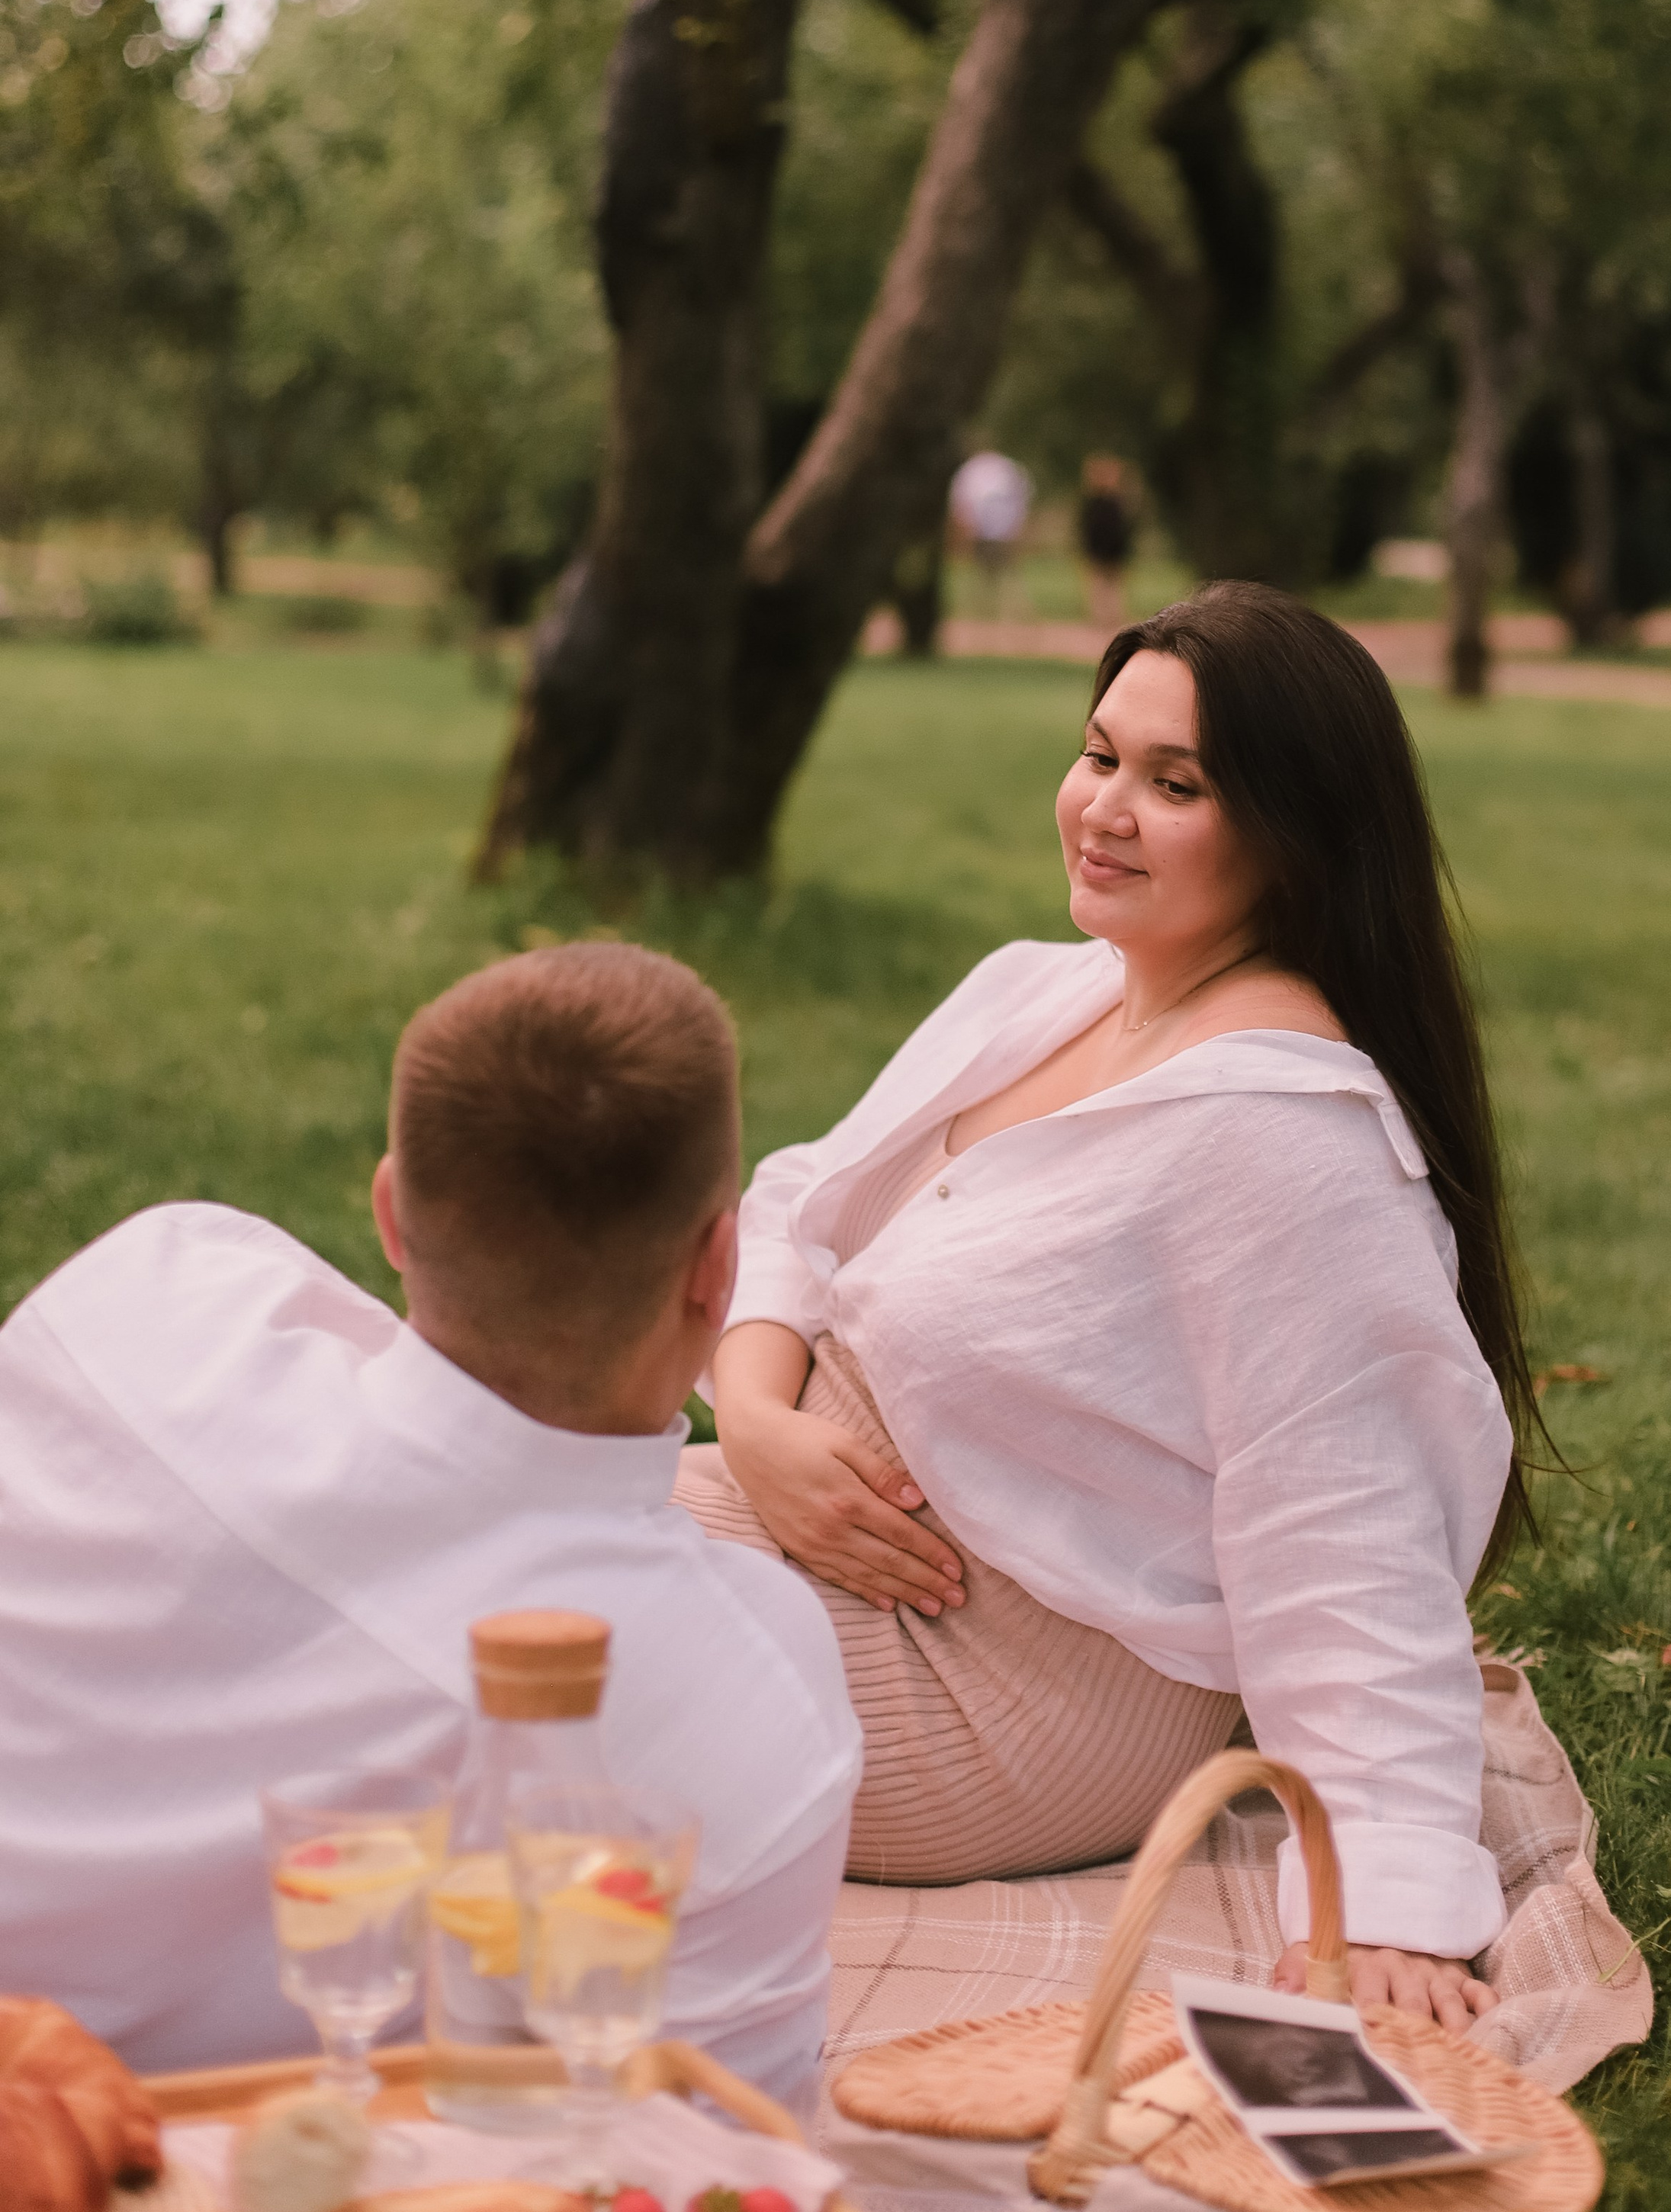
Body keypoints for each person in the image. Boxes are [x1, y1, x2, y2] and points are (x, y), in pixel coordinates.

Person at [680, 583, 1542, 2032]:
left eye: (1176, 783)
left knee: (476, 1619)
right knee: (428, 1502)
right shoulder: (1046, 993)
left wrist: (1382, 1891)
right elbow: (800, 1204)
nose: (1104, 809)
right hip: (819, 1539)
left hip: (1001, 1685)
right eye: (1099, 756)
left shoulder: (1282, 1137)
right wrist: (759, 1419)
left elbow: (1344, 1517)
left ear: (1295, 831)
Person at [0, 945, 861, 2110]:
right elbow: (721, 2151)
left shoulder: (154, 1296)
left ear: (392, 1212)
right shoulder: (746, 1690)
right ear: (719, 1267)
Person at [947, 448, 1031, 612]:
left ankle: (1006, 607)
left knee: (1005, 571)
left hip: (1000, 533)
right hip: (984, 532)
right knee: (983, 571)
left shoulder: (1001, 470)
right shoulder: (976, 471)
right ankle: (983, 607)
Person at [1077, 454, 1138, 628]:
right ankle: (1101, 619)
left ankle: (1112, 619)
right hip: (1099, 550)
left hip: (1112, 551)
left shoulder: (1115, 504)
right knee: (1098, 587)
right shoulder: (1097, 503)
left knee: (1111, 587)